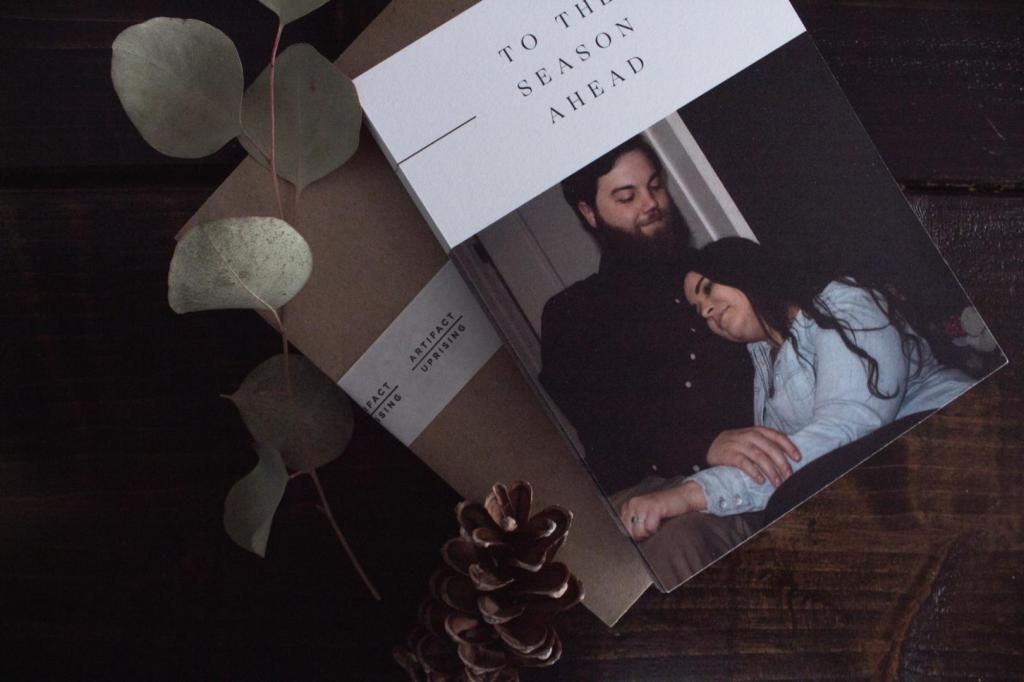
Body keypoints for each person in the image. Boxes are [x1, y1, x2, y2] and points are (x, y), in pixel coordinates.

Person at [619, 237, 974, 539]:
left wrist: (693, 494)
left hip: (955, 437)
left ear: (742, 269)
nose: (708, 311)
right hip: (893, 481)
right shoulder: (761, 362)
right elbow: (781, 462)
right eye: (699, 311)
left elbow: (851, 428)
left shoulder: (842, 302)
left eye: (708, 290)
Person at [538, 137, 759, 584]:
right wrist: (704, 445)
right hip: (646, 485)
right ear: (589, 213)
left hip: (745, 466)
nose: (651, 204)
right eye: (627, 196)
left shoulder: (716, 272)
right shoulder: (572, 312)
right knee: (671, 547)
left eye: (655, 187)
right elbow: (606, 426)